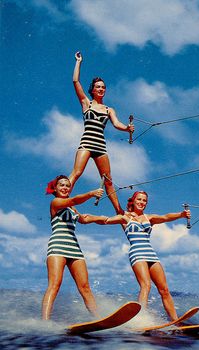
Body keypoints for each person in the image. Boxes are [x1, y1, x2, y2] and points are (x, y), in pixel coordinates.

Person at [98, 191, 191, 321]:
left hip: (150, 253)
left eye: (144, 201)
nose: (142, 202)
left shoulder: (149, 218)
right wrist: (85, 218)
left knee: (164, 289)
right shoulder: (125, 217)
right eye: (139, 199)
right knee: (146, 285)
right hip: (137, 252)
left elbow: (165, 217)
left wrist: (181, 215)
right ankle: (141, 319)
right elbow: (105, 220)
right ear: (133, 201)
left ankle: (175, 321)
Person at [69, 51, 134, 214]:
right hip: (86, 143)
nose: (101, 89)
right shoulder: (86, 103)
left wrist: (127, 128)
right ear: (92, 89)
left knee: (108, 181)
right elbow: (75, 81)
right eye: (98, 87)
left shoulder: (108, 109)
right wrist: (78, 62)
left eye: (103, 87)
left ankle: (119, 212)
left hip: (101, 146)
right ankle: (65, 199)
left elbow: (117, 123)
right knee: (77, 172)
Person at [42, 175, 107, 320]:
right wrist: (91, 194)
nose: (65, 187)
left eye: (67, 185)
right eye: (62, 185)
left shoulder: (71, 208)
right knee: (54, 285)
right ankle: (45, 323)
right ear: (56, 188)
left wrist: (103, 218)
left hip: (74, 248)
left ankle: (98, 319)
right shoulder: (56, 202)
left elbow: (84, 219)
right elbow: (74, 199)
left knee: (85, 287)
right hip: (58, 246)